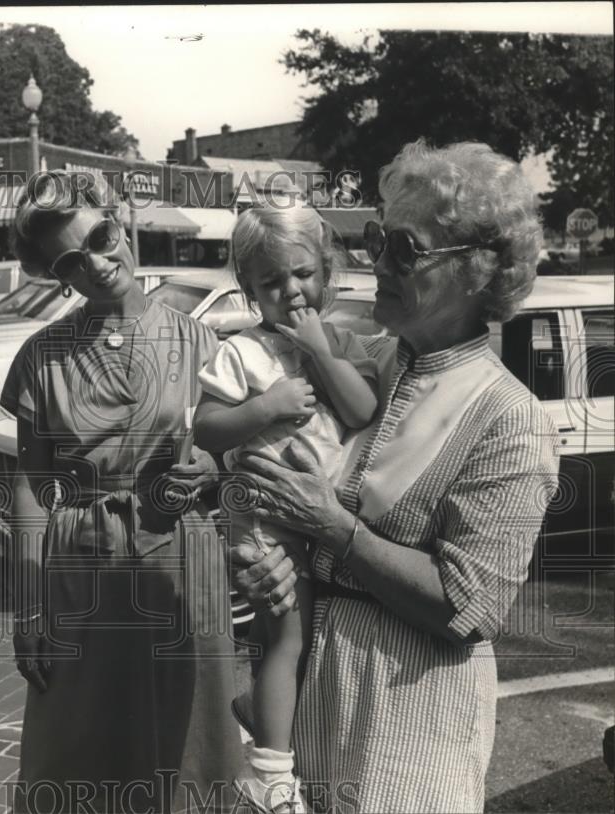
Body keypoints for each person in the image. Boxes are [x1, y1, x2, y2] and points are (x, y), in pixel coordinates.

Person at [229, 141, 560, 813]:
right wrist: (270, 564)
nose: (375, 261)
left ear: (476, 269)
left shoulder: (507, 418)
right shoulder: (364, 361)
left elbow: (471, 608)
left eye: (403, 249)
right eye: (378, 239)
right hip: (312, 713)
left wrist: (332, 529)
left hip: (403, 723)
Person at [1, 171, 244, 814]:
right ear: (60, 275)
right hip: (81, 565)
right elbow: (29, 482)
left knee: (187, 746)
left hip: (180, 556)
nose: (101, 263)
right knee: (79, 749)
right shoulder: (41, 356)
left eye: (104, 237)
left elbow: (233, 451)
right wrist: (28, 607)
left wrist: (215, 476)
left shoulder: (199, 341)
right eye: (74, 261)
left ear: (122, 220)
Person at [193, 204, 378, 813]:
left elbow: (360, 411)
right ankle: (270, 771)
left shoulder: (347, 343)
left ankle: (270, 718)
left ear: (326, 272)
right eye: (271, 283)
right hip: (267, 515)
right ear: (249, 291)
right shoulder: (242, 354)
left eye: (302, 274)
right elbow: (209, 430)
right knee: (285, 635)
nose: (290, 291)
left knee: (323, 637)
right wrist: (265, 407)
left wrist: (322, 353)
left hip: (327, 515)